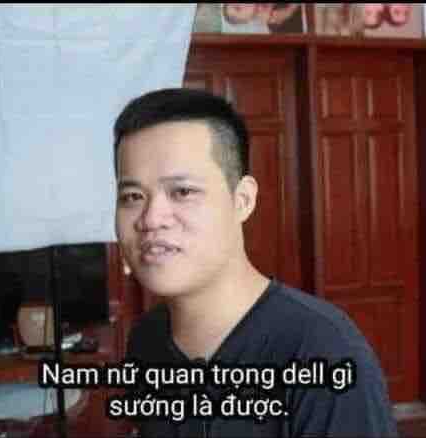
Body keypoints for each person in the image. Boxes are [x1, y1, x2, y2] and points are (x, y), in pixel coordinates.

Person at [113, 88, 398, 437]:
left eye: (182, 192)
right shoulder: (146, 340)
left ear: (243, 200)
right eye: (132, 196)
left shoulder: (325, 354)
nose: (151, 219)